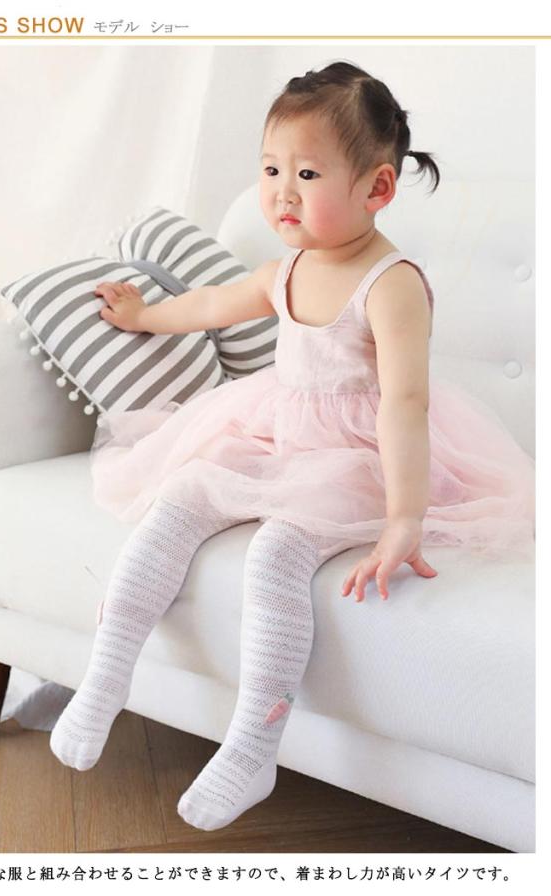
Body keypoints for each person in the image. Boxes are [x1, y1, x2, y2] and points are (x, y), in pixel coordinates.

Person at [49, 61, 535, 832]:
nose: (281, 191)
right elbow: (211, 304)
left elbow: (406, 404)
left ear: (377, 188)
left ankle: (253, 747)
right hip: (279, 429)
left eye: (306, 174)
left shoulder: (391, 284)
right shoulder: (290, 268)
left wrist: (404, 518)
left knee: (277, 552)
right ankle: (105, 680)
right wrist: (143, 317)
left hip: (361, 454)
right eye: (271, 169)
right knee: (180, 497)